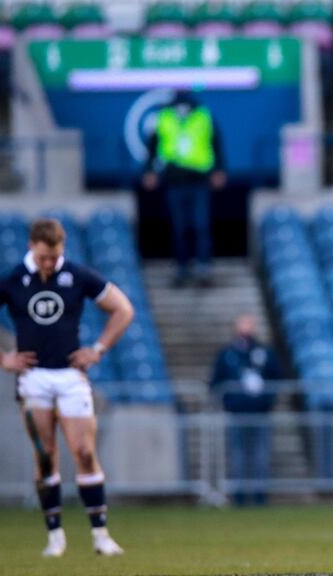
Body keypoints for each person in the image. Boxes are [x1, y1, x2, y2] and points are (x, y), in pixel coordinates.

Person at [0, 218, 135, 558]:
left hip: (70, 376)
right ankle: (55, 536)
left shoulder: (77, 275)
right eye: (43, 257)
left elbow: (123, 309)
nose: (48, 264)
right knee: (45, 455)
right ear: (31, 247)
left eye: (54, 257)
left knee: (84, 452)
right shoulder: (10, 279)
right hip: (33, 379)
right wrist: (1, 358)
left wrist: (97, 349)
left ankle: (101, 535)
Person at [143, 89, 226, 288]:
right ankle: (181, 268)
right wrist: (149, 170)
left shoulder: (203, 116)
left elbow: (216, 143)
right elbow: (153, 146)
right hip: (174, 180)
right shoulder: (163, 117)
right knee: (179, 227)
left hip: (199, 180)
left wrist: (219, 169)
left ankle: (204, 267)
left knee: (201, 225)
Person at [210, 314, 283, 505]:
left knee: (261, 454)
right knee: (238, 455)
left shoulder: (264, 352)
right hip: (236, 412)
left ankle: (260, 496)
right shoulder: (227, 354)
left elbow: (277, 378)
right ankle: (239, 496)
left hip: (260, 412)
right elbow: (216, 381)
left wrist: (266, 398)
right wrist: (230, 400)